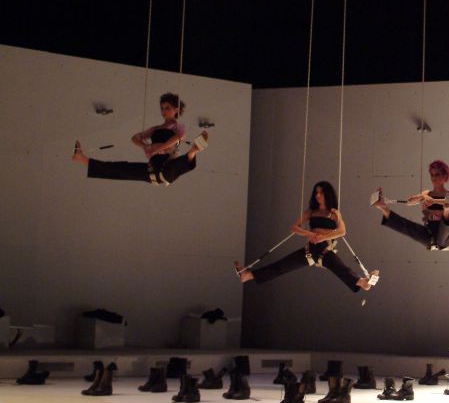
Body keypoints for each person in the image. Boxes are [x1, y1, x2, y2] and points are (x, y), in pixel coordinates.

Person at [235, 182, 379, 292]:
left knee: (341, 269)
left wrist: (323, 237)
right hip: (309, 251)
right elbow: (294, 228)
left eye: (321, 192)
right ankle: (246, 276)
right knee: (281, 266)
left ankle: (363, 283)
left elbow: (342, 231)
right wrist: (310, 234)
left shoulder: (334, 212)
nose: (318, 195)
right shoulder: (310, 212)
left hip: (325, 250)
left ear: (327, 194)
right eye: (316, 192)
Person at [72, 92, 207, 186]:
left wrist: (160, 147)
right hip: (152, 168)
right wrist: (146, 146)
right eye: (162, 108)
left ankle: (194, 150)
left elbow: (179, 137)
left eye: (167, 108)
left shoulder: (177, 126)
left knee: (176, 166)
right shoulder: (155, 129)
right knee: (121, 169)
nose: (163, 111)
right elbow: (135, 138)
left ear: (176, 110)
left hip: (167, 166)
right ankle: (82, 158)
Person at [372, 160, 449, 251]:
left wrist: (433, 200)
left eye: (437, 174)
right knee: (406, 227)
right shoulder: (427, 193)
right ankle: (383, 207)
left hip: (446, 233)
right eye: (432, 175)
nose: (433, 178)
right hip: (430, 233)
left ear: (445, 176)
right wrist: (422, 196)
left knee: (447, 212)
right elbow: (409, 202)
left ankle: (446, 210)